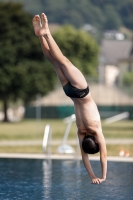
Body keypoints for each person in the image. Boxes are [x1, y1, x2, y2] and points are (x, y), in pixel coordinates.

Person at [32, 13, 107, 184]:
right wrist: (93, 176)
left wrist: (102, 176)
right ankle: (40, 36)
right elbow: (84, 157)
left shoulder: (96, 131)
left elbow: (102, 154)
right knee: (54, 62)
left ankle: (47, 33)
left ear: (95, 140)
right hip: (70, 93)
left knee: (63, 61)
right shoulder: (81, 133)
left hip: (82, 92)